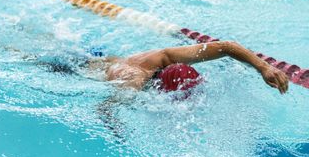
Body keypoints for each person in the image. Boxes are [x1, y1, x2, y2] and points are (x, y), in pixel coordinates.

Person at [85, 41, 289, 94]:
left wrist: (264, 67)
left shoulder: (165, 57)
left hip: (124, 60)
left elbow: (226, 47)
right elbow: (108, 107)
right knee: (91, 61)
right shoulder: (133, 78)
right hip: (94, 69)